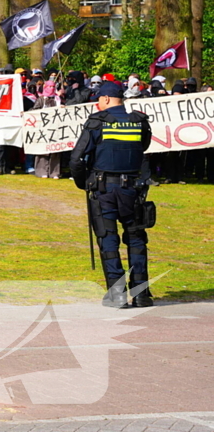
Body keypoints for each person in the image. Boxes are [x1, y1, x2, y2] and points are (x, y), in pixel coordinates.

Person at [70, 81, 153, 308]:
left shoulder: (98, 121)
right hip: (133, 190)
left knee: (108, 240)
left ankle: (117, 295)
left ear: (105, 99)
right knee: (136, 240)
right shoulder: (140, 121)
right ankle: (142, 294)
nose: (97, 103)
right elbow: (143, 149)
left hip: (104, 190)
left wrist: (83, 183)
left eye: (98, 99)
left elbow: (76, 159)